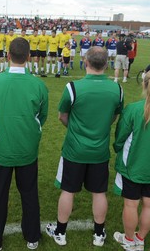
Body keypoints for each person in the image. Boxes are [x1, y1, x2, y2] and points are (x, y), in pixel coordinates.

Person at [46, 47, 124, 248]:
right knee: (99, 192)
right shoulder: (117, 89)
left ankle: (60, 232)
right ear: (107, 64)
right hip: (99, 151)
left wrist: (75, 128)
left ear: (86, 62)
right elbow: (114, 116)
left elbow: (62, 116)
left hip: (74, 150)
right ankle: (99, 235)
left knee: (68, 191)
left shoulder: (73, 87)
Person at [0, 38, 48, 250]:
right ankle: (32, 236)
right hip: (24, 148)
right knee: (29, 192)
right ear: (29, 57)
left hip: (2, 148)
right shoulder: (38, 84)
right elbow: (42, 116)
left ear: (8, 56)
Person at [113, 71, 150, 251]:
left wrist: (117, 148)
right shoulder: (135, 110)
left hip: (133, 166)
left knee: (131, 203)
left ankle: (130, 240)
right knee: (148, 205)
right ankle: (139, 239)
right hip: (138, 166)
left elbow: (119, 138)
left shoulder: (133, 110)